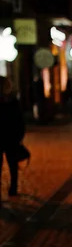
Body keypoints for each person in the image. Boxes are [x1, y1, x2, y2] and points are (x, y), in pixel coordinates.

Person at [0, 76, 26, 206]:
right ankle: (13, 188)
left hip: (9, 138)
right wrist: (19, 136)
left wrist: (19, 136)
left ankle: (13, 187)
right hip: (10, 138)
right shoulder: (13, 101)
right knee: (12, 165)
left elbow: (19, 121)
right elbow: (19, 121)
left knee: (12, 164)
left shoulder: (13, 102)